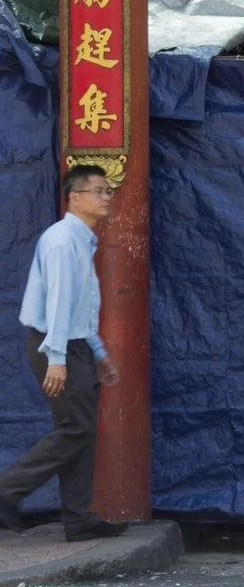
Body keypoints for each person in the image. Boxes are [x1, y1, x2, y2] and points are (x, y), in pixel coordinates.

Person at [0, 166, 124, 542]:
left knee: (81, 431)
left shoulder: (81, 239)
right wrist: (57, 358)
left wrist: (98, 352)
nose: (107, 197)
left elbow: (81, 309)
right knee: (76, 428)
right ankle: (7, 490)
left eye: (108, 191)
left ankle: (78, 518)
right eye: (98, 190)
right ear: (75, 197)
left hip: (75, 345)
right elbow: (57, 305)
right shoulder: (61, 241)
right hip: (56, 344)